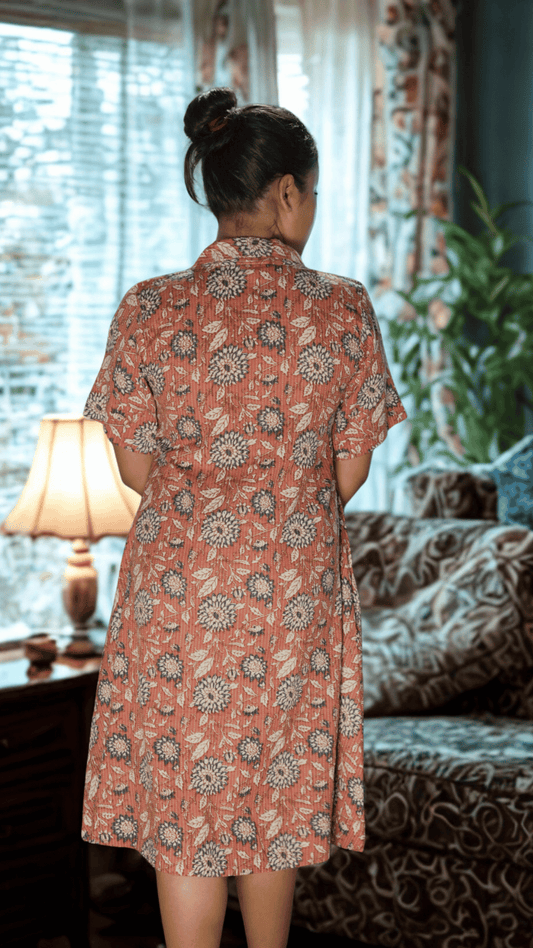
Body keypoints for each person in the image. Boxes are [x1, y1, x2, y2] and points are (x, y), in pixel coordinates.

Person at [81, 87, 407, 948]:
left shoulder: (149, 307)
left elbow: (136, 469)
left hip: (175, 595)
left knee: (185, 807)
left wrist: (208, 502)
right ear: (289, 193)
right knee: (276, 793)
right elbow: (347, 469)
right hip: (292, 594)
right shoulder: (340, 308)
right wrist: (279, 509)